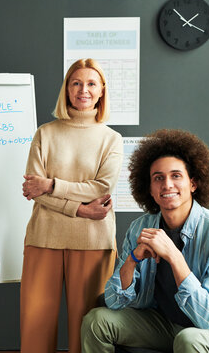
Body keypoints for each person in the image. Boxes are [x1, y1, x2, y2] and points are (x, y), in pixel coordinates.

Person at [82, 129, 209, 352]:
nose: (167, 184)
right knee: (96, 321)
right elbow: (114, 302)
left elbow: (206, 317)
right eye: (158, 178)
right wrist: (132, 260)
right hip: (161, 323)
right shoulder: (139, 229)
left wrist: (173, 256)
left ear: (193, 183)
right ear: (150, 189)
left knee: (188, 340)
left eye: (176, 176)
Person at [20, 58, 123, 353]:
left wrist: (53, 184)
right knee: (35, 327)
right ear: (66, 89)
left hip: (93, 242)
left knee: (87, 331)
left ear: (102, 90)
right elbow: (33, 191)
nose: (83, 90)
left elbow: (101, 187)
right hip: (44, 239)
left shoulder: (111, 139)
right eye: (76, 83)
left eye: (91, 83)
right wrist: (80, 209)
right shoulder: (45, 133)